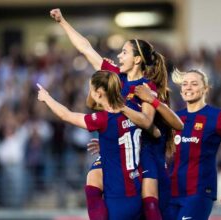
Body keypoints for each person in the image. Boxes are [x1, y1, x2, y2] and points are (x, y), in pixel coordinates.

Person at [50, 8, 183, 220]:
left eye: (124, 52)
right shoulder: (115, 78)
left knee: (149, 206)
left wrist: (122, 110)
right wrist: (63, 22)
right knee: (93, 179)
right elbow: (86, 49)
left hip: (146, 152)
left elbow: (150, 124)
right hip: (122, 151)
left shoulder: (146, 87)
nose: (119, 56)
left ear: (137, 59)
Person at [37, 70, 144, 220]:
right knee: (95, 171)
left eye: (91, 89)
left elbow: (66, 115)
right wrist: (108, 145)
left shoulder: (102, 119)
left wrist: (46, 98)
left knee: (93, 177)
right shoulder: (134, 108)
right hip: (138, 192)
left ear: (99, 93)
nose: (89, 92)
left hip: (118, 198)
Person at [167, 69, 221, 220]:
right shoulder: (175, 117)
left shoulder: (217, 117)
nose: (188, 87)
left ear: (205, 89)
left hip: (198, 193)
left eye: (194, 84)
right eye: (185, 84)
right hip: (171, 192)